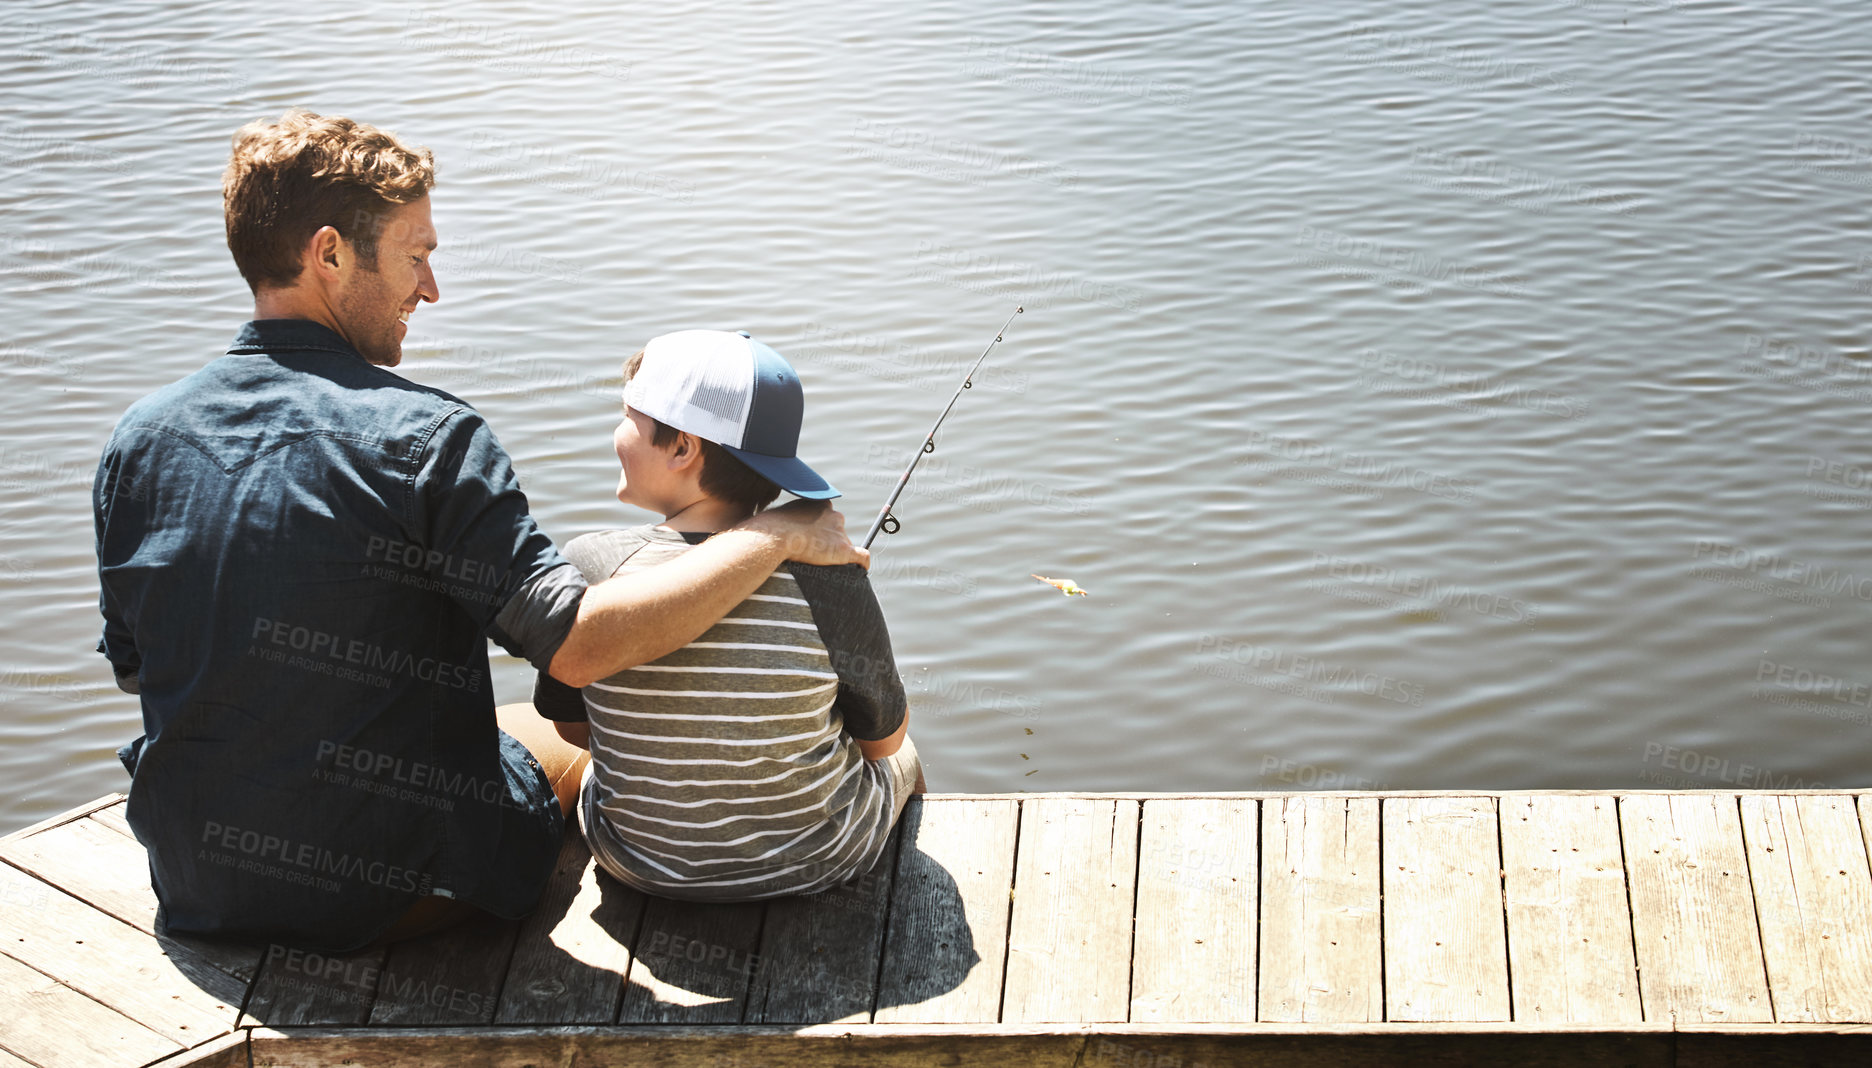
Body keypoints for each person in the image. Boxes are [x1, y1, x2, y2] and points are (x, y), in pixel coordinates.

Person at [91, 110, 866, 951]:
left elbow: (141, 671)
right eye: (417, 257)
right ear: (329, 254)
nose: (430, 290)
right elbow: (576, 648)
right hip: (400, 895)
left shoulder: (138, 441)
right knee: (563, 743)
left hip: (199, 885)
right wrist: (777, 538)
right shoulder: (426, 438)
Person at [534, 329, 922, 900]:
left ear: (683, 447)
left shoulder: (591, 565)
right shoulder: (828, 573)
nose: (616, 432)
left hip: (639, 864)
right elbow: (882, 742)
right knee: (906, 756)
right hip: (818, 863)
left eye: (627, 416)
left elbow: (572, 729)